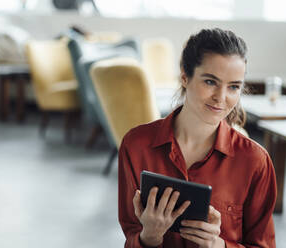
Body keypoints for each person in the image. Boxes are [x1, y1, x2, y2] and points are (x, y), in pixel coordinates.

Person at [118, 28, 277, 248]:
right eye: (210, 82)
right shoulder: (136, 146)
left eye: (233, 87)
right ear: (185, 76)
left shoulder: (255, 161)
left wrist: (219, 246)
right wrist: (150, 237)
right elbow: (131, 235)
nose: (221, 98)